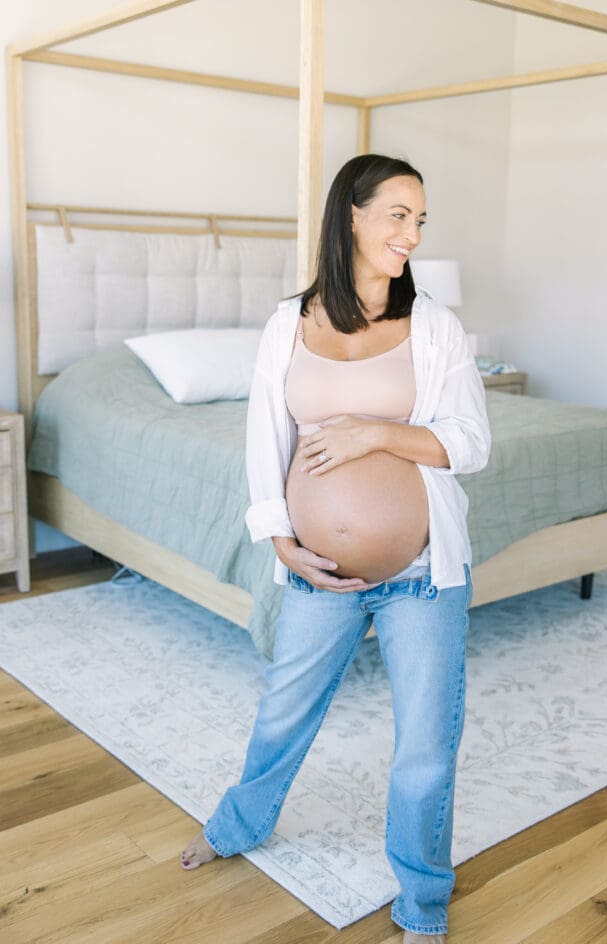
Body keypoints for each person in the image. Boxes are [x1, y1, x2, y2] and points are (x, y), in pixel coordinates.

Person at [180, 154, 491, 942]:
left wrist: (374, 433)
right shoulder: (289, 323)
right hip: (316, 571)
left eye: (420, 220)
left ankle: (422, 901)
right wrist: (278, 539)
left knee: (426, 743)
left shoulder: (435, 327)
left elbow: (471, 442)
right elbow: (265, 439)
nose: (411, 234)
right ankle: (235, 826)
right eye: (397, 215)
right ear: (352, 215)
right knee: (283, 711)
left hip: (422, 573)